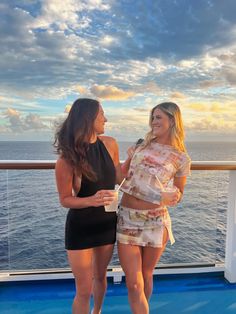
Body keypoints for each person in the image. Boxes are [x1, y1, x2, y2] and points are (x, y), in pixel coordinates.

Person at [117, 102, 191, 314]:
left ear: (172, 121)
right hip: (127, 218)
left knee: (146, 274)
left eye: (159, 117)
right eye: (152, 117)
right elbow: (120, 177)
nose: (154, 122)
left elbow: (178, 194)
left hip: (156, 221)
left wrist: (168, 195)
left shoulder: (181, 158)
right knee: (133, 283)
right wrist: (128, 157)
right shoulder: (140, 145)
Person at [54, 98, 122, 314]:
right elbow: (65, 199)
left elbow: (119, 177)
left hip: (107, 222)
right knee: (83, 290)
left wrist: (133, 160)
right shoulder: (66, 159)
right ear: (88, 118)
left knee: (101, 277)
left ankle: (97, 312)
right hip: (81, 227)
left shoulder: (110, 144)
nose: (106, 119)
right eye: (102, 114)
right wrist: (91, 200)